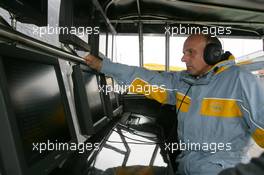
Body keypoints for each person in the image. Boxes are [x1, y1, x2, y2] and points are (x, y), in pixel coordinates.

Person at [84, 34, 264, 175]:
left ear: (212, 53)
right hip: (185, 167)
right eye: (184, 53)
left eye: (190, 52)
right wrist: (104, 67)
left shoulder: (241, 81)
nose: (183, 59)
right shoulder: (183, 82)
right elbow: (146, 78)